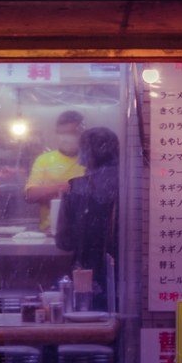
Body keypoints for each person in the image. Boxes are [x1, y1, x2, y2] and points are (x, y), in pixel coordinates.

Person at [56, 126, 119, 311]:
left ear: (84, 154)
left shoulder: (77, 187)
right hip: (127, 278)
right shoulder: (132, 184)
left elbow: (64, 241)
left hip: (87, 278)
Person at [26, 110, 86, 230]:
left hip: (83, 230)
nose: (65, 138)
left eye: (71, 133)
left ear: (81, 133)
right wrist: (63, 188)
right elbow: (30, 195)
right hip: (50, 229)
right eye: (61, 133)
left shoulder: (90, 160)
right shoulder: (44, 160)